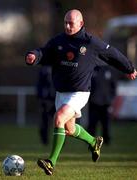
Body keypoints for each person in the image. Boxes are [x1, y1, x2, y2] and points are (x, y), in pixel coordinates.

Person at [25, 9, 137, 175]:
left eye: (71, 23)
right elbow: (45, 52)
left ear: (81, 24)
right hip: (61, 93)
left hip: (79, 93)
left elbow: (112, 54)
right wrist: (34, 55)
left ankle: (51, 162)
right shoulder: (58, 41)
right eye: (66, 23)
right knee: (69, 129)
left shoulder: (91, 43)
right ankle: (93, 141)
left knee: (59, 118)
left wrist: (128, 68)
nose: (68, 26)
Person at [88, 65, 116, 145]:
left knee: (106, 124)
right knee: (92, 123)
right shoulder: (93, 70)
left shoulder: (109, 70)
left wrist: (111, 99)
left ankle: (106, 140)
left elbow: (113, 86)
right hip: (94, 102)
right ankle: (90, 140)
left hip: (106, 103)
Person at [37, 66, 55, 145]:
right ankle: (45, 141)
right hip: (46, 101)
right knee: (45, 122)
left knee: (60, 121)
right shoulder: (44, 69)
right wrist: (40, 97)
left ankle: (61, 142)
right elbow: (39, 84)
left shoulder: (61, 66)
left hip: (57, 99)